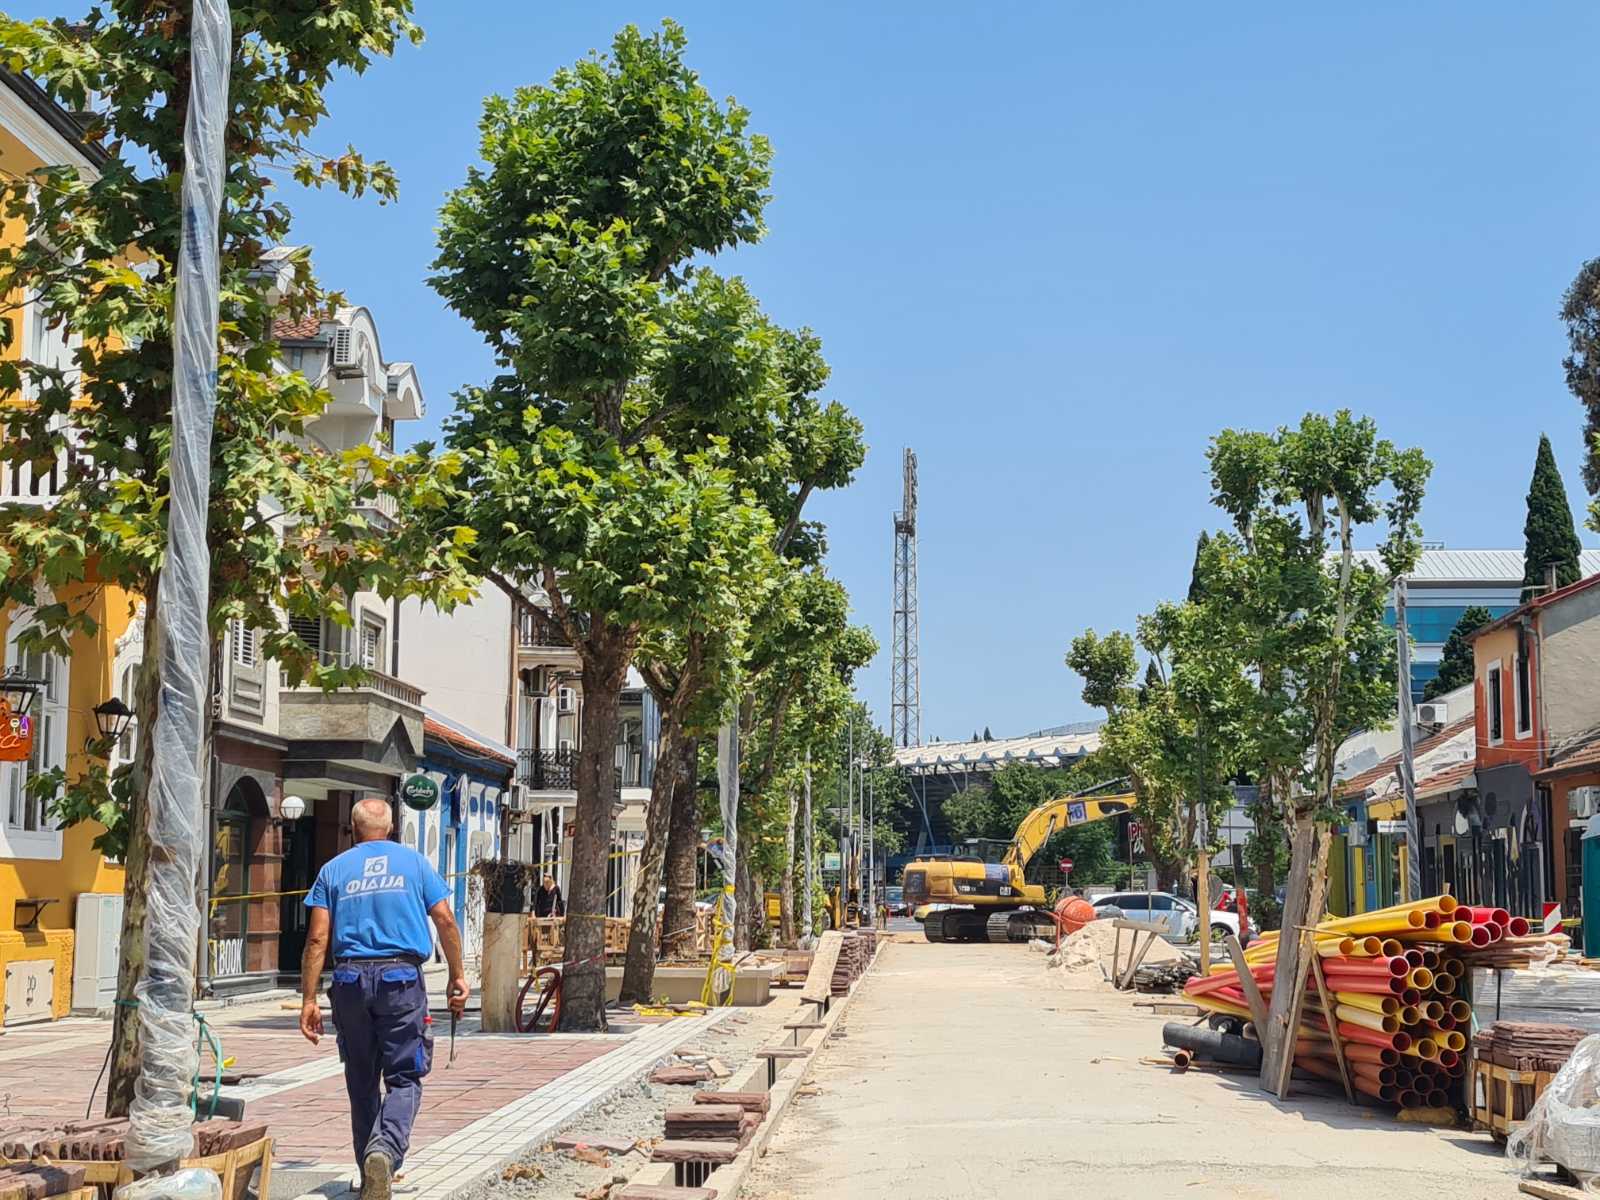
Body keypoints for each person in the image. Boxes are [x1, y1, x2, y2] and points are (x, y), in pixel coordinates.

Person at [299, 798, 468, 1200]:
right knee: (405, 1075)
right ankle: (385, 1151)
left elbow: (318, 937)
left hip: (349, 980)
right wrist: (458, 975)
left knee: (361, 1078)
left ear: (353, 830)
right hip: (400, 980)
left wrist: (308, 999)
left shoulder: (333, 870)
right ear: (390, 829)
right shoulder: (413, 864)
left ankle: (371, 1173)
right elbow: (444, 918)